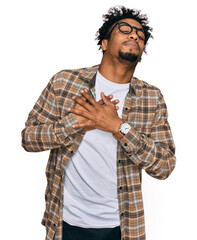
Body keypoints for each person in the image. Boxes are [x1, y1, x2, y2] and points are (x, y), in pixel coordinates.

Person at [21, 6, 176, 240]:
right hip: (64, 224)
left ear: (141, 53)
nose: (135, 35)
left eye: (141, 35)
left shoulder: (151, 97)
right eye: (125, 29)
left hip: (122, 228)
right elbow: (28, 138)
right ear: (104, 43)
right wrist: (75, 122)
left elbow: (165, 166)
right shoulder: (64, 82)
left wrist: (119, 127)